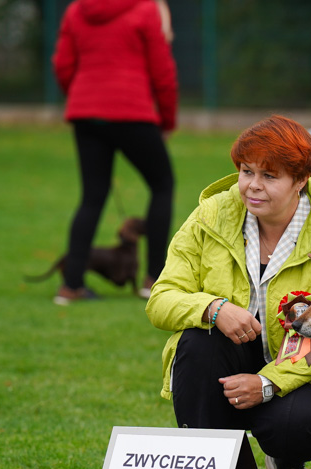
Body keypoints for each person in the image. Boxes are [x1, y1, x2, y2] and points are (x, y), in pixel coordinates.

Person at [145, 115, 311, 469]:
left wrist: (267, 383)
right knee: (196, 344)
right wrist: (213, 307)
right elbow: (161, 299)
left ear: (301, 181)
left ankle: (288, 465)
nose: (253, 186)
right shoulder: (209, 215)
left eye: (269, 175)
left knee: (293, 425)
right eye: (247, 171)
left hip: (307, 365)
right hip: (229, 355)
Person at [52, 0, 178, 304]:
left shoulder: (76, 10)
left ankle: (71, 285)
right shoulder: (146, 8)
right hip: (131, 109)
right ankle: (153, 279)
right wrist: (167, 118)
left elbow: (62, 64)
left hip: (87, 113)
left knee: (93, 195)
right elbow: (161, 67)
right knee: (162, 185)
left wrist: (84, 95)